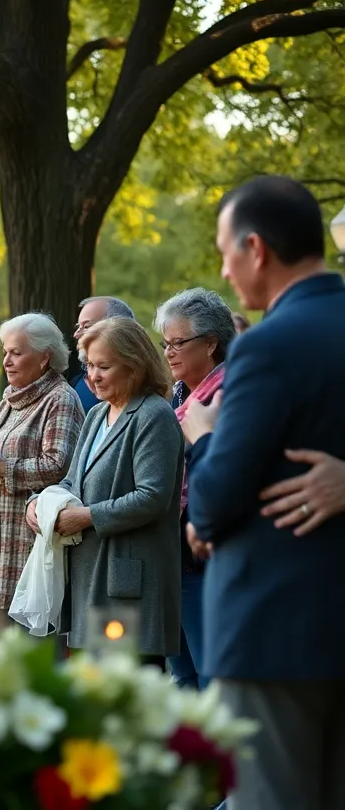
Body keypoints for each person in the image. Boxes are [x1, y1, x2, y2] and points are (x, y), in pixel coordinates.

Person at [182, 176, 345, 810]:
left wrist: (203, 437)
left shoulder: (267, 347)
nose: (225, 271)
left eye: (225, 252)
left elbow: (217, 497)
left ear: (256, 248)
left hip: (276, 627)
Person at [27, 318, 183, 666]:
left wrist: (85, 517)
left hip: (130, 587)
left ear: (134, 366)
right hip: (89, 581)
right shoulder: (97, 414)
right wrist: (37, 504)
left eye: (103, 366)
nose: (92, 376)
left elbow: (152, 496)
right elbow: (72, 481)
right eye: (89, 366)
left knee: (129, 704)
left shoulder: (154, 416)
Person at [0, 313, 84, 634]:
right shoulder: (9, 399)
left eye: (16, 352)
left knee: (31, 642)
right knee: (6, 643)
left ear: (44, 357)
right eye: (5, 352)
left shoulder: (60, 398)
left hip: (33, 536)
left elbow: (59, 465)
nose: (7, 360)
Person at [153, 287, 236, 689]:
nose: (169, 352)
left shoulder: (227, 394)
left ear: (211, 343)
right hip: (172, 549)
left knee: (210, 671)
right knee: (181, 672)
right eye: (165, 343)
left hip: (203, 549)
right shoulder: (178, 395)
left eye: (178, 343)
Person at [70, 296, 134, 412]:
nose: (76, 334)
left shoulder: (146, 403)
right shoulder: (74, 384)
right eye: (90, 366)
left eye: (86, 326)